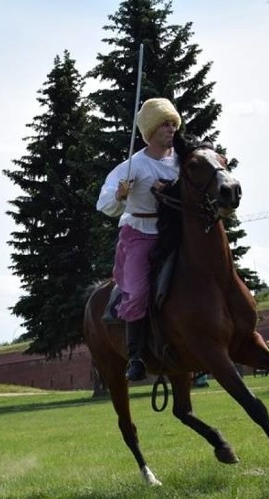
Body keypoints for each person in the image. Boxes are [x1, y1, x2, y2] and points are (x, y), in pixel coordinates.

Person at [96, 97, 182, 382]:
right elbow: (105, 202)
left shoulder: (182, 161)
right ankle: (135, 357)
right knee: (138, 292)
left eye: (173, 123)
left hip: (176, 232)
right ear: (149, 131)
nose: (171, 129)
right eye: (164, 124)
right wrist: (120, 195)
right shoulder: (132, 167)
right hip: (140, 234)